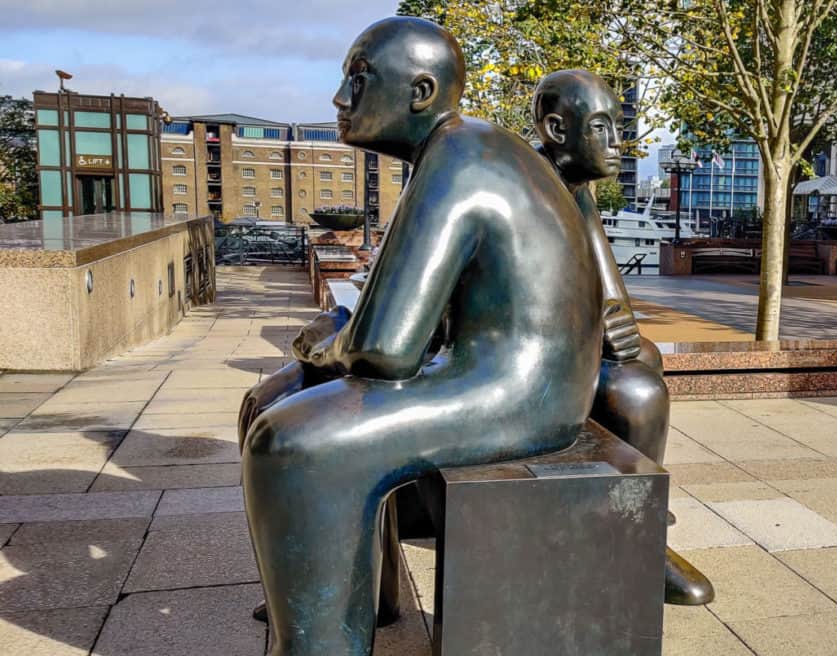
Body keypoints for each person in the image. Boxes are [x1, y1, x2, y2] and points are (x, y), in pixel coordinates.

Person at [239, 17, 602, 655]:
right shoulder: (458, 149)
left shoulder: (461, 159)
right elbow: (403, 311)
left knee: (292, 442)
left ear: (420, 92)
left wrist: (319, 347)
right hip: (508, 372)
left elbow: (385, 349)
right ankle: (354, 604)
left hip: (521, 390)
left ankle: (319, 647)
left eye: (358, 80)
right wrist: (330, 348)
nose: (340, 99)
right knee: (272, 398)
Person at [532, 69, 715, 606]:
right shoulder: (522, 182)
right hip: (506, 356)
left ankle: (635, 515)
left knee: (644, 368)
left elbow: (613, 297)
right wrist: (599, 324)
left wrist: (615, 324)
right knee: (637, 391)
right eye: (602, 128)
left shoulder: (575, 188)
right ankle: (633, 535)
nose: (619, 144)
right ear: (556, 128)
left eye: (620, 126)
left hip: (556, 348)